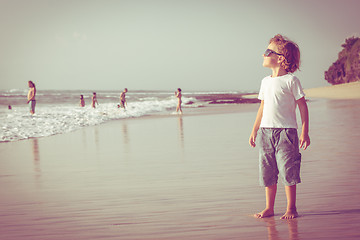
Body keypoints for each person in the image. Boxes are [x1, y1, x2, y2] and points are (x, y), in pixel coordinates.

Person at [249, 34, 310, 220]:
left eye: (268, 52)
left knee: (288, 170)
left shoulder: (291, 81)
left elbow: (302, 105)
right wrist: (254, 129)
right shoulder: (265, 82)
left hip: (286, 132)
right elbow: (262, 107)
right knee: (267, 171)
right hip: (265, 132)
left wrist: (304, 132)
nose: (263, 54)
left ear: (280, 58)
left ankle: (291, 208)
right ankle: (269, 208)